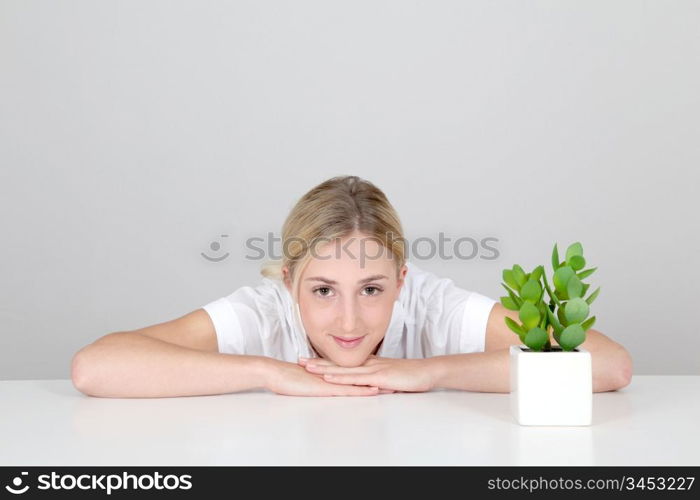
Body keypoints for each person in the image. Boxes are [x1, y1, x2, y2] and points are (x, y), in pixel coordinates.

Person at [71, 175, 633, 398]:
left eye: (371, 290)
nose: (348, 322)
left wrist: (430, 370)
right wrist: (271, 373)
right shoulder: (265, 311)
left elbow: (609, 364)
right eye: (322, 290)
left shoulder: (430, 305)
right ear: (288, 283)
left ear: (402, 282)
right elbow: (96, 366)